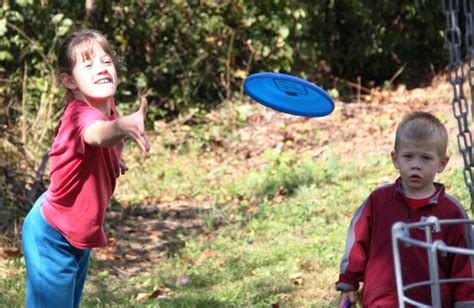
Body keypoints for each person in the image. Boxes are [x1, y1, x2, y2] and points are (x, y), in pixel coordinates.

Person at [21, 29, 150, 307]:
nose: (101, 69)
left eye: (106, 61)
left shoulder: (106, 104)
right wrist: (121, 127)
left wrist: (113, 159)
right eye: (88, 64)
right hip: (52, 235)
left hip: (77, 230)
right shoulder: (81, 114)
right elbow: (97, 133)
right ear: (69, 81)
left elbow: (97, 146)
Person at [335, 111, 474, 307]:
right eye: (408, 156)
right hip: (381, 302)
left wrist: (466, 303)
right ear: (395, 159)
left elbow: (464, 266)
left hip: (430, 303)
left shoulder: (452, 213)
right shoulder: (378, 201)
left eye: (426, 158)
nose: (416, 165)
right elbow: (358, 244)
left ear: (442, 163)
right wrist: (348, 283)